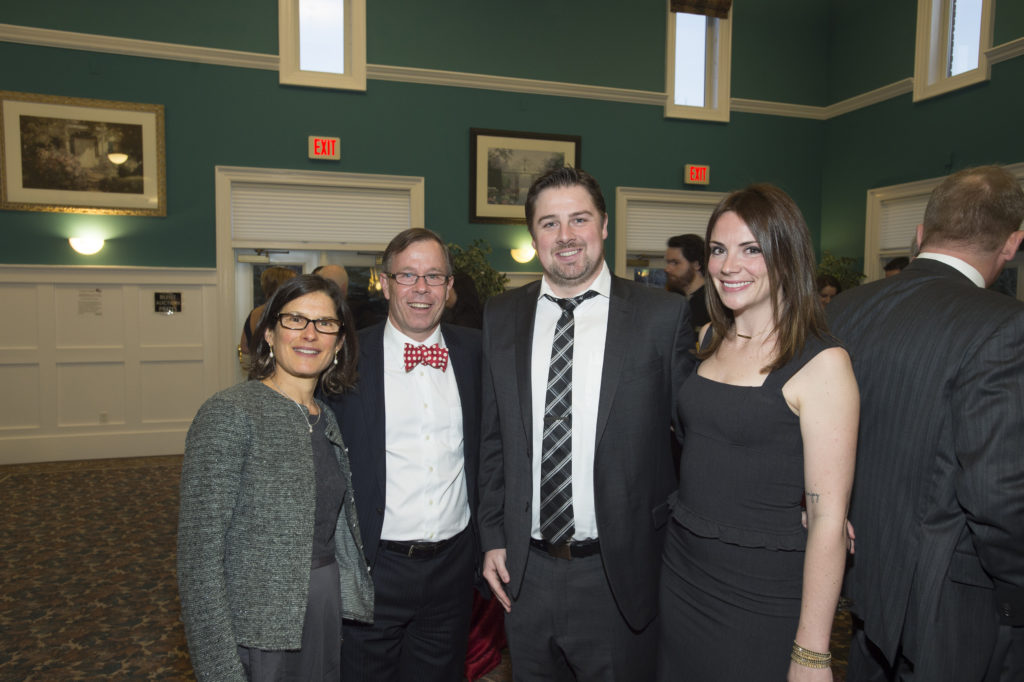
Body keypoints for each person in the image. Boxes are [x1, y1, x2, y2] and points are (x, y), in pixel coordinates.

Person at [478, 167, 695, 680]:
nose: (566, 235)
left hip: (619, 575)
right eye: (549, 224)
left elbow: (695, 436)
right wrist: (491, 536)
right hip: (524, 576)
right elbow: (494, 439)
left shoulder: (661, 318)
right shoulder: (501, 314)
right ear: (534, 237)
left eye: (579, 219)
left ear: (603, 226)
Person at [827, 165, 1024, 681]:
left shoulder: (845, 308)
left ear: (920, 235)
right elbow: (998, 494)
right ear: (1011, 244)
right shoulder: (1003, 325)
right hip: (952, 603)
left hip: (858, 581)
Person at [658, 184, 859, 680]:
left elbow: (829, 522)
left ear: (786, 254)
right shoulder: (709, 338)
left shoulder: (823, 364)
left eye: (752, 249)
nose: (730, 266)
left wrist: (812, 653)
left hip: (762, 590)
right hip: (683, 572)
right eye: (720, 250)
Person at [178, 274, 373, 682]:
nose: (310, 334)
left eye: (325, 324)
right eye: (295, 320)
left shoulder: (326, 416)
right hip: (259, 626)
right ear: (268, 333)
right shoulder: (231, 413)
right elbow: (199, 558)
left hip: (322, 608)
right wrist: (218, 667)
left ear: (339, 344)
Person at [324, 228, 482, 682]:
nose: (421, 288)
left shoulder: (476, 352)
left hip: (453, 569)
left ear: (450, 288)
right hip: (374, 567)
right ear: (385, 283)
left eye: (434, 276)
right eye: (407, 275)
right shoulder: (346, 357)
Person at [239, 266, 297, 365]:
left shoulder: (255, 312)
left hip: (258, 369)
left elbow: (244, 347)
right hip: (278, 372)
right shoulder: (283, 312)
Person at [665, 233, 711, 329]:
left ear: (696, 265)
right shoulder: (673, 300)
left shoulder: (712, 304)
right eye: (668, 263)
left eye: (675, 263)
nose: (667, 269)